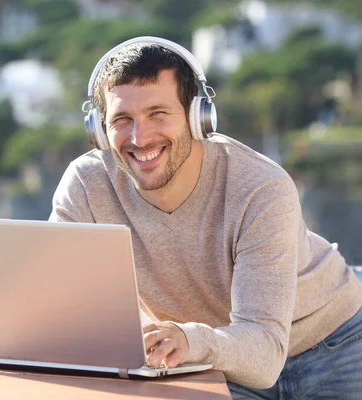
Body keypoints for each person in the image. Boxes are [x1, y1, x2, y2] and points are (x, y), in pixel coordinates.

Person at [48, 36, 362, 399]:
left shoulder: (259, 187)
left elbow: (263, 353)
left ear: (198, 117)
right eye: (122, 119)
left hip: (335, 343)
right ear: (99, 130)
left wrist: (189, 338)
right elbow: (61, 305)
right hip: (215, 357)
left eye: (158, 114)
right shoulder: (86, 186)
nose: (140, 137)